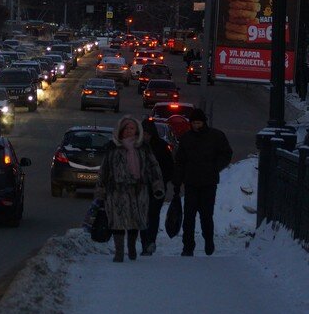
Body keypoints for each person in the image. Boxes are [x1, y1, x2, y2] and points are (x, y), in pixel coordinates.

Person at [95, 116, 165, 263]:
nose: (128, 131)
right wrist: (101, 189)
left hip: (138, 190)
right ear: (121, 130)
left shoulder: (143, 147)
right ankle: (119, 252)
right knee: (117, 221)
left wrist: (157, 185)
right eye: (126, 128)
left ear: (137, 130)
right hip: (117, 190)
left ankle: (132, 246)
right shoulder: (113, 146)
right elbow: (104, 169)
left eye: (131, 128)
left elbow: (154, 167)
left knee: (135, 221)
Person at [173, 108, 233, 256]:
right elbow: (180, 161)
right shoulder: (186, 138)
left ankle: (208, 241)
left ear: (203, 122)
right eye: (194, 123)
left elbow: (226, 153)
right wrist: (177, 181)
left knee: (206, 215)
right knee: (189, 216)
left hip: (208, 182)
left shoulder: (215, 136)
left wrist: (215, 167)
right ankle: (188, 246)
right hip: (191, 182)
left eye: (198, 123)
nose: (196, 126)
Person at [140, 118, 174, 255]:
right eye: (144, 133)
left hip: (157, 188)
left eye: (148, 133)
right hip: (141, 187)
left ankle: (151, 241)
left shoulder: (161, 146)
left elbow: (169, 166)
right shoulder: (136, 146)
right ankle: (144, 243)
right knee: (143, 215)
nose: (146, 136)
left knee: (153, 214)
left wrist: (163, 181)